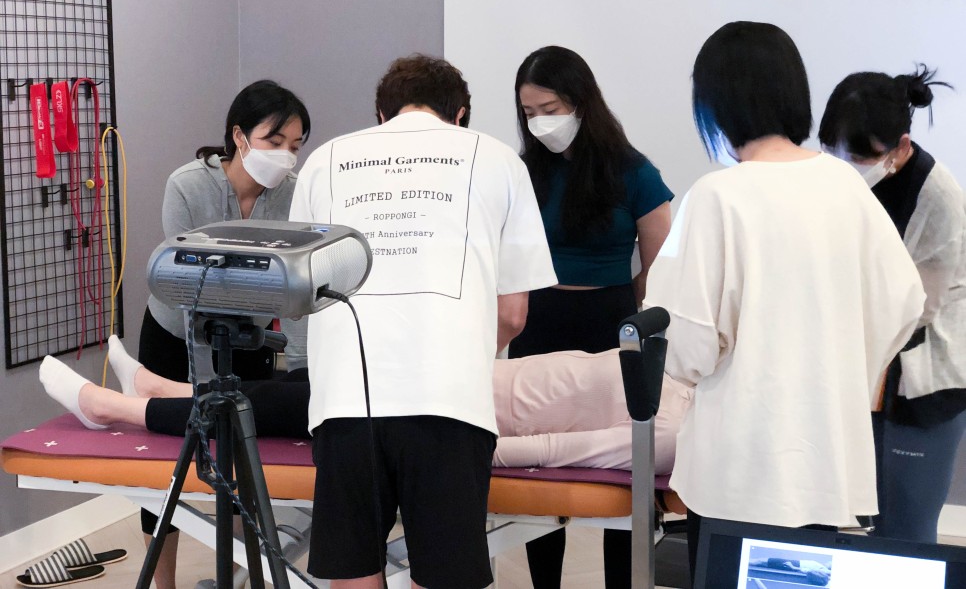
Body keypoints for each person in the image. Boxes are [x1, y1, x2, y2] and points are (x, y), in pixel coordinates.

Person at [640, 21, 926, 584]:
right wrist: (848, 371)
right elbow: (903, 301)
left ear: (715, 105)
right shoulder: (846, 186)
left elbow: (686, 346)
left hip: (737, 464)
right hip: (822, 460)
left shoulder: (718, 196)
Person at [289, 54, 558, 589]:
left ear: (380, 114)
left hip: (346, 401)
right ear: (459, 116)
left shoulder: (325, 160)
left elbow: (301, 294)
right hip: (449, 402)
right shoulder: (499, 158)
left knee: (353, 572)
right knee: (444, 574)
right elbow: (513, 313)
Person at [39, 338, 692, 474]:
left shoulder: (673, 435)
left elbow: (554, 451)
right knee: (302, 382)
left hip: (440, 410)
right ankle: (166, 389)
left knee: (275, 407)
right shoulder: (687, 364)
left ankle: (113, 409)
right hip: (448, 372)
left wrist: (458, 451)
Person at [509, 45, 673, 589]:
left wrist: (629, 310)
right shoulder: (523, 171)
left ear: (581, 103)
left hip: (610, 322)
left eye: (550, 109)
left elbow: (659, 267)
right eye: (529, 112)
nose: (540, 123)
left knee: (618, 463)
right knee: (537, 467)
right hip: (538, 319)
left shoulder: (633, 171)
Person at [137, 79, 311, 588]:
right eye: (274, 141)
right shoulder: (187, 186)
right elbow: (182, 283)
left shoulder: (294, 194)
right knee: (165, 473)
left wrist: (303, 370)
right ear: (238, 136)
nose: (286, 156)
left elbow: (296, 290)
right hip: (175, 332)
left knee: (240, 467)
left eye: (295, 145)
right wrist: (200, 384)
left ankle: (236, 577)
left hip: (249, 340)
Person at [818, 65, 966, 543]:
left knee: (905, 531)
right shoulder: (835, 180)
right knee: (855, 519)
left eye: (861, 157)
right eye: (835, 152)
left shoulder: (939, 198)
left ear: (901, 147)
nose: (847, 166)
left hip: (922, 379)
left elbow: (916, 307)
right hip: (860, 368)